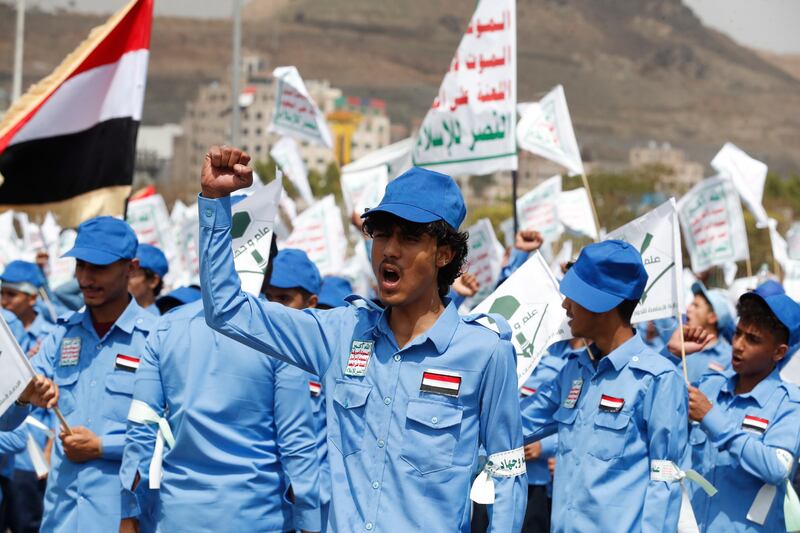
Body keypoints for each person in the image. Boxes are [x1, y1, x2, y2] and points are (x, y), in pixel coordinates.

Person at [197, 146, 526, 532]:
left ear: (443, 255)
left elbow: (507, 471)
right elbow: (226, 309)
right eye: (382, 233)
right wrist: (217, 201)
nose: (389, 249)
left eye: (409, 237)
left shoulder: (486, 352)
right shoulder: (340, 333)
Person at [121, 241, 322, 533]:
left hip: (179, 517)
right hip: (257, 518)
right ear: (267, 269)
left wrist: (128, 514)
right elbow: (297, 443)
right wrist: (310, 523)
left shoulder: (165, 328)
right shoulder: (282, 332)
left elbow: (141, 427)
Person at [521, 240, 704, 532]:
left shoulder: (656, 379)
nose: (565, 304)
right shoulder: (573, 370)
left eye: (574, 296)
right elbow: (517, 424)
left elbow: (666, 481)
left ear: (604, 303)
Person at [0, 216, 157, 533]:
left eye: (98, 267)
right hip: (62, 517)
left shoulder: (156, 338)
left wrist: (103, 446)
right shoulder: (61, 336)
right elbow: (5, 421)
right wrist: (22, 397)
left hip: (123, 519)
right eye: (80, 266)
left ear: (131, 268)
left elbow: (172, 434)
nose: (86, 278)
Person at [687, 292, 800, 531]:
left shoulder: (789, 404)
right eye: (738, 333)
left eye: (753, 339)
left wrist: (712, 419)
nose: (738, 345)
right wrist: (673, 354)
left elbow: (776, 469)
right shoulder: (709, 385)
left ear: (779, 352)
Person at [264, 249, 331, 530]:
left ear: (311, 302)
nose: (272, 307)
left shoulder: (328, 358)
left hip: (314, 507)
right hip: (263, 506)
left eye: (283, 299)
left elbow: (336, 438)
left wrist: (312, 494)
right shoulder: (254, 353)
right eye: (267, 297)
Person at [664, 282, 735, 385]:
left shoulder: (729, 357)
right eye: (691, 304)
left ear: (712, 317)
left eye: (696, 305)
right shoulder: (678, 344)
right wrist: (672, 353)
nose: (688, 309)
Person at [1, 260, 55, 356]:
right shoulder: (3, 329)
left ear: (32, 298)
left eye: (11, 295)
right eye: (1, 293)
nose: (3, 301)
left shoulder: (51, 336)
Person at [128, 244, 168, 315]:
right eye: (122, 274)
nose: (124, 280)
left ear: (153, 281)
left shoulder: (162, 321)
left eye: (132, 275)